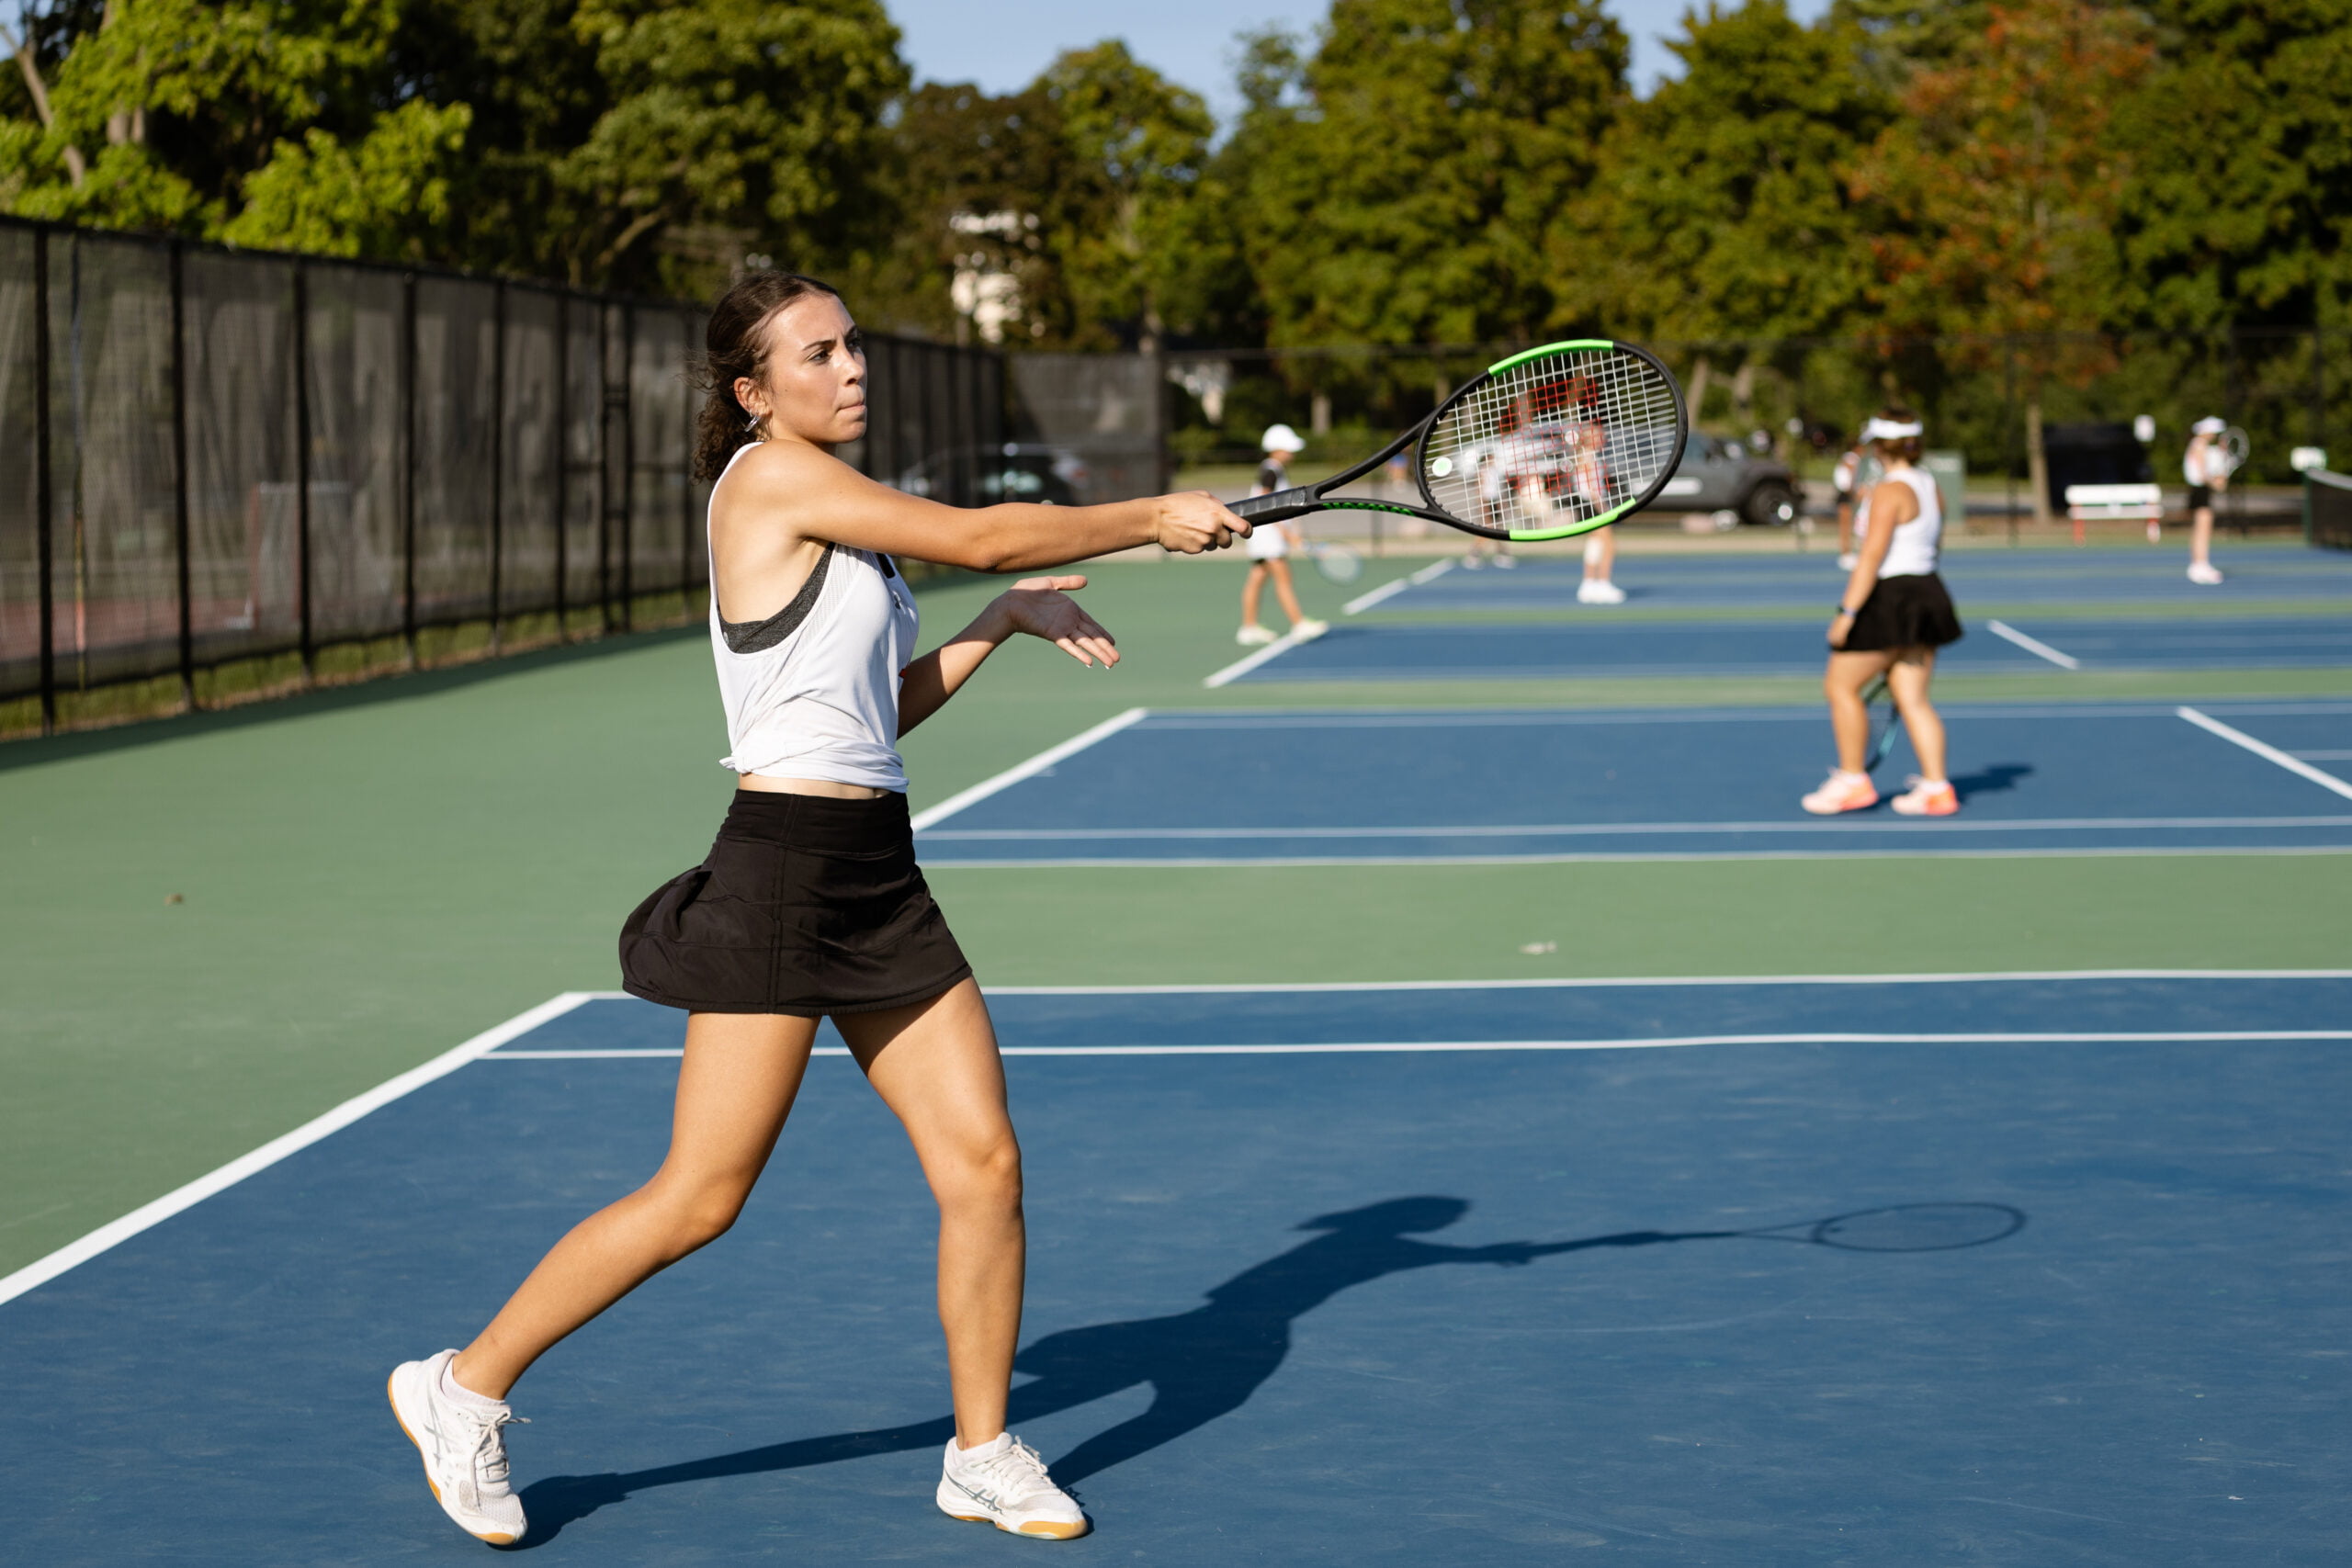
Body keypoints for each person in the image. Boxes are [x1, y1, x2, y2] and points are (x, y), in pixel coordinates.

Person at [385, 270, 1247, 1549]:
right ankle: (461, 1386)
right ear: (753, 391)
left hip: (876, 864)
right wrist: (1144, 516)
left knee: (985, 1164)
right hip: (781, 867)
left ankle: (982, 1450)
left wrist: (1002, 623)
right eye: (819, 352)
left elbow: (873, 713)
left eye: (853, 347)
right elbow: (990, 528)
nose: (852, 368)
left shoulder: (842, 520)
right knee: (701, 1194)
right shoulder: (770, 483)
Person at [1802, 408, 1964, 818]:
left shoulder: (1888, 491)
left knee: (1840, 688)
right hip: (1928, 591)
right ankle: (1936, 788)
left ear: (1877, 446)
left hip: (1892, 597)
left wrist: (1847, 612)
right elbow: (1933, 546)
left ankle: (1852, 780)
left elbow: (1871, 557)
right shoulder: (1931, 486)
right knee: (1914, 699)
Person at [1235, 423, 1329, 644]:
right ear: (1276, 448)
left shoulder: (1274, 469)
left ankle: (1248, 627)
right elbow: (1264, 504)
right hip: (1267, 534)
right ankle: (1298, 623)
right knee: (1283, 577)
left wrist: (1294, 531)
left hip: (1265, 534)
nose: (1291, 453)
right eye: (1288, 448)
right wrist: (1287, 535)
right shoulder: (1270, 470)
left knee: (1258, 577)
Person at [2182, 416, 2231, 585]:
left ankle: (2199, 564)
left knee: (2200, 528)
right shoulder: (2199, 444)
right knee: (2203, 528)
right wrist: (2216, 484)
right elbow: (2204, 473)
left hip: (2199, 490)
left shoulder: (2202, 445)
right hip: (2200, 490)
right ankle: (2200, 565)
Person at [1830, 434, 1880, 571]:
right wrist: (1854, 490)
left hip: (1846, 492)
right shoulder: (1852, 458)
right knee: (1846, 525)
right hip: (1847, 493)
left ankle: (1848, 552)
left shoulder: (1852, 457)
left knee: (1848, 524)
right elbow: (1850, 471)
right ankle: (1846, 553)